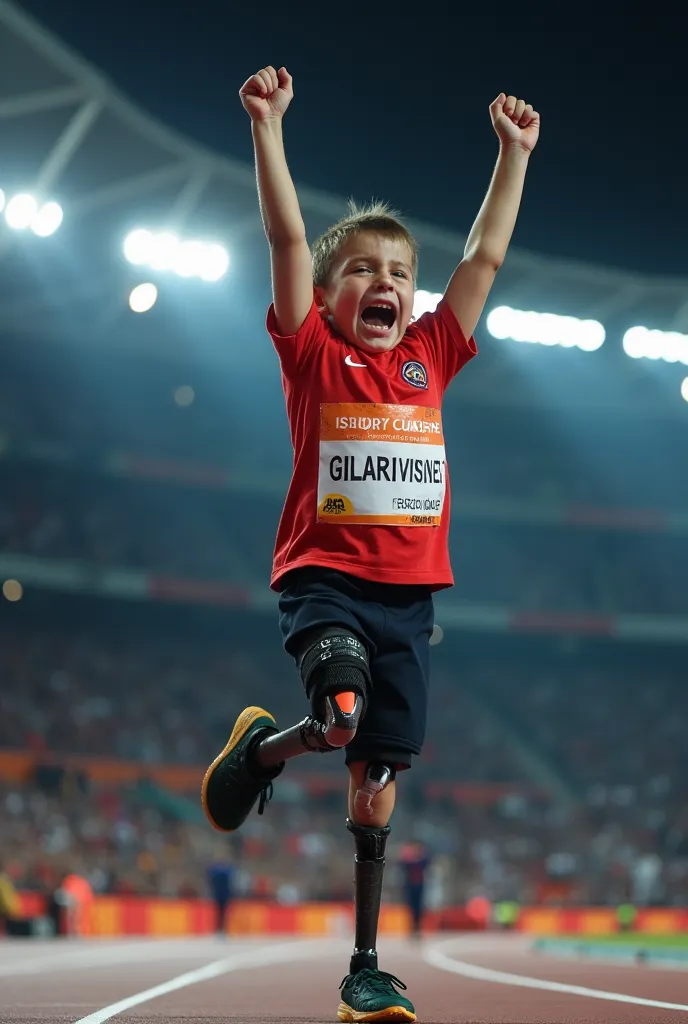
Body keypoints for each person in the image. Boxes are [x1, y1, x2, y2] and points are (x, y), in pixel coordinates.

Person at [202, 65, 539, 1023]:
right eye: (361, 270)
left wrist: (512, 156)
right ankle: (288, 743)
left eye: (399, 272)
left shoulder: (431, 355)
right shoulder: (312, 351)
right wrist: (268, 129)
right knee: (344, 704)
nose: (384, 282)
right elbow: (284, 233)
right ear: (327, 293)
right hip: (325, 581)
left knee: (373, 784)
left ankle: (362, 960)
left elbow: (483, 258)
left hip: (410, 602)